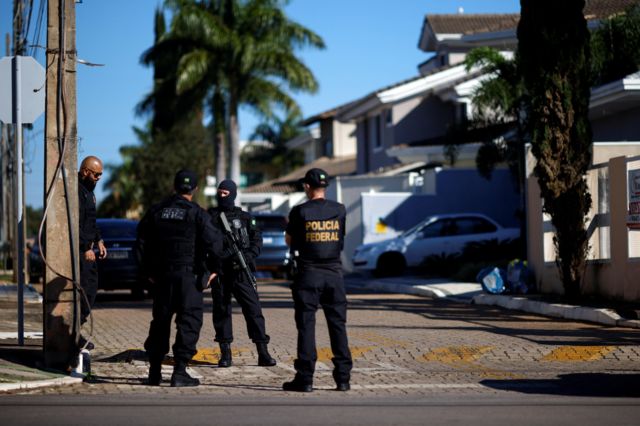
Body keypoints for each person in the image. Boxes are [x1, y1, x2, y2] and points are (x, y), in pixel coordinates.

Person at [137, 169, 223, 387]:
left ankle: (154, 373)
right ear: (195, 189)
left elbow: (140, 244)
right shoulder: (198, 213)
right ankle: (180, 371)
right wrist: (213, 271)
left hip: (162, 277)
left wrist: (148, 274)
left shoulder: (156, 211)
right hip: (189, 278)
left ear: (173, 187)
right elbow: (216, 245)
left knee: (160, 323)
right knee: (189, 322)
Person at [283, 168, 352, 392]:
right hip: (334, 275)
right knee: (338, 326)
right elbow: (340, 240)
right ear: (325, 186)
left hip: (308, 274)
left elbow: (289, 241)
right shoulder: (339, 210)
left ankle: (305, 379)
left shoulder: (299, 211)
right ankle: (343, 378)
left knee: (306, 326)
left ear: (306, 186)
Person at [207, 179, 276, 368]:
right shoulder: (209, 217)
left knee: (254, 311)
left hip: (241, 271)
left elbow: (257, 241)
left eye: (225, 193)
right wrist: (210, 268)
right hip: (220, 272)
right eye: (219, 193)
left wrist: (247, 255)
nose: (221, 196)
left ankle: (263, 352)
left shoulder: (245, 218)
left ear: (233, 194)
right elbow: (202, 245)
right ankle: (225, 354)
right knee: (222, 313)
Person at [78, 156, 107, 350]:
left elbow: (91, 221)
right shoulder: (77, 191)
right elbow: (75, 223)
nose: (98, 179)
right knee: (85, 292)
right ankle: (73, 333)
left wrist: (99, 240)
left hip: (89, 248)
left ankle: (75, 330)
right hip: (80, 252)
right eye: (96, 174)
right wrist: (85, 248)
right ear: (85, 171)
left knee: (90, 291)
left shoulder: (90, 193)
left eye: (100, 175)